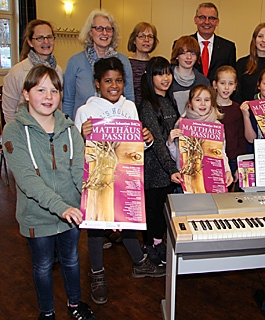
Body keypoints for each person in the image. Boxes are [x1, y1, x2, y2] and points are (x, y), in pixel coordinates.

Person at [2, 65, 96, 320]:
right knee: (42, 266)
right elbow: (27, 180)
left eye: (54, 90)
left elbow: (80, 172)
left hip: (71, 214)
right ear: (25, 93)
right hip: (37, 215)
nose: (48, 96)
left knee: (72, 259)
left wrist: (101, 209)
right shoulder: (13, 132)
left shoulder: (69, 129)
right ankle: (47, 312)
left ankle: (75, 304)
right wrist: (61, 206)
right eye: (40, 89)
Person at [74, 57, 163, 305]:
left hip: (125, 177)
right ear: (97, 83)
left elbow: (136, 150)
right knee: (96, 227)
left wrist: (147, 139)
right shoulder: (85, 111)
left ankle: (139, 263)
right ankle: (97, 273)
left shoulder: (130, 108)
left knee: (128, 222)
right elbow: (75, 150)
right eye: (108, 81)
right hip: (97, 178)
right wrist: (81, 136)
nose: (114, 85)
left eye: (119, 81)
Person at [138, 56, 181, 266]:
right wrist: (171, 168)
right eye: (159, 73)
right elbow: (156, 141)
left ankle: (157, 242)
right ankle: (150, 246)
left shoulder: (169, 101)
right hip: (155, 170)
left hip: (169, 170)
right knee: (152, 211)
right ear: (150, 77)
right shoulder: (147, 105)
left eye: (168, 73)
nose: (165, 78)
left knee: (162, 212)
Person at [63, 9, 134, 120]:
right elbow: (68, 101)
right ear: (90, 32)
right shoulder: (75, 62)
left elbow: (129, 97)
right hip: (83, 128)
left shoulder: (123, 60)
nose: (104, 33)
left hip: (117, 127)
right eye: (99, 28)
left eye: (108, 29)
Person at [167, 84, 234, 189]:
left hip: (212, 180)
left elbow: (221, 153)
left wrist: (227, 171)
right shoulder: (182, 124)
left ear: (212, 103)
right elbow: (178, 158)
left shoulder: (217, 125)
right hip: (189, 182)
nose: (203, 104)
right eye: (198, 100)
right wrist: (170, 142)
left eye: (207, 100)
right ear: (190, 103)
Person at [3, 20, 63, 124]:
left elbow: (58, 107)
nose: (46, 41)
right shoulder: (16, 72)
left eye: (49, 37)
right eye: (40, 38)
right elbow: (9, 112)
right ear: (30, 42)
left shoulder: (58, 70)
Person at [212, 66, 246, 190]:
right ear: (215, 84)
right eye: (222, 83)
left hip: (232, 160)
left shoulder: (238, 109)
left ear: (235, 86)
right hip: (212, 159)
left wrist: (239, 166)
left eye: (230, 84)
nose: (226, 88)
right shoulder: (207, 107)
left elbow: (241, 139)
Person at [235, 22, 265, 103]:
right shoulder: (241, 63)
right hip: (246, 111)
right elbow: (237, 93)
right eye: (260, 36)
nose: (264, 40)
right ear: (254, 39)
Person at [190, 2, 236, 83]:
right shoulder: (183, 44)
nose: (207, 22)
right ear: (195, 20)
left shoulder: (228, 48)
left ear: (217, 22)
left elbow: (232, 78)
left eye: (211, 18)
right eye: (202, 17)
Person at [170, 35, 210, 115]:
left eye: (193, 54)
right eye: (184, 53)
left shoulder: (203, 81)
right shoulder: (167, 78)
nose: (189, 57)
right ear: (177, 56)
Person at [128, 22, 159, 108]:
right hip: (131, 110)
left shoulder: (156, 64)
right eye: (141, 36)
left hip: (151, 112)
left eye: (150, 36)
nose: (146, 40)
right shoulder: (126, 63)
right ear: (134, 40)